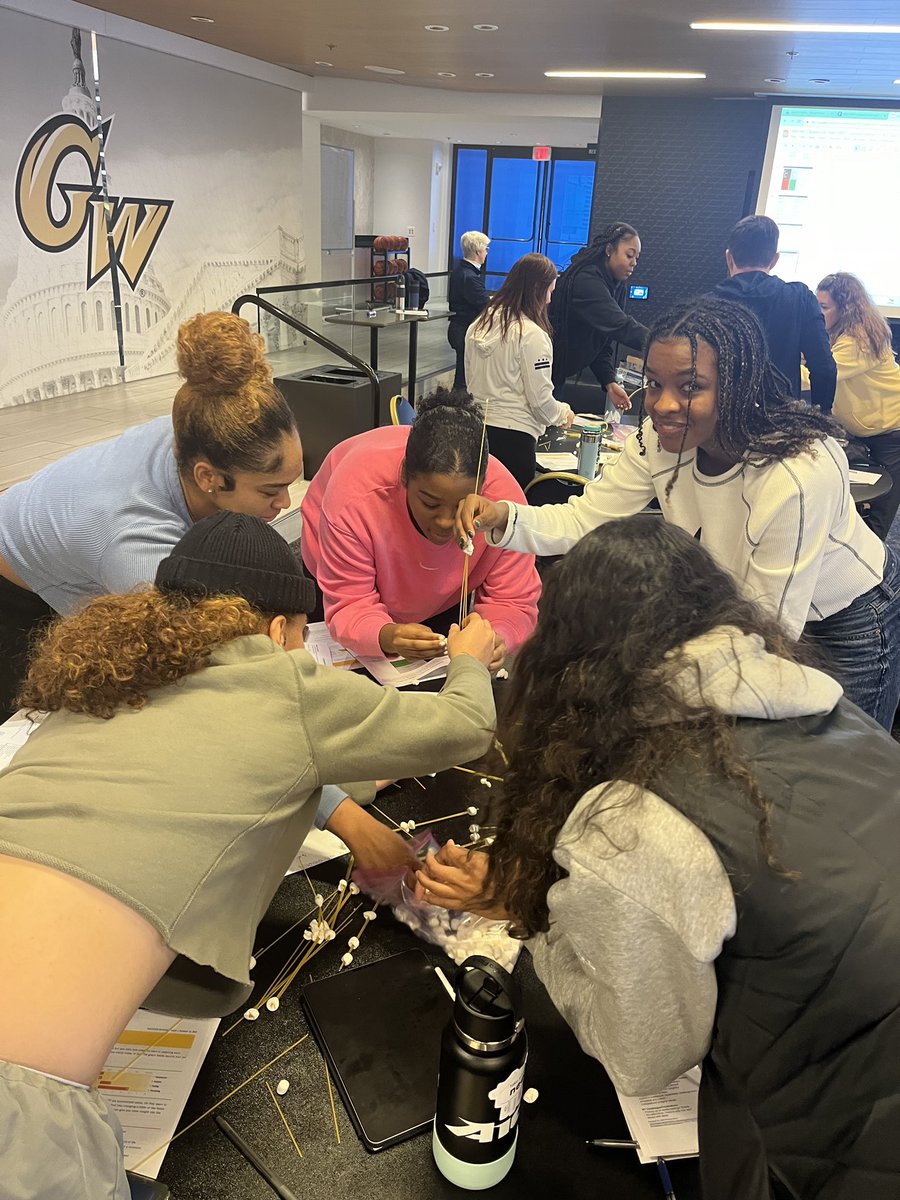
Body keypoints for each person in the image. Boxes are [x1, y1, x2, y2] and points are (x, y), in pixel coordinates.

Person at [0, 510, 497, 1200]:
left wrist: (351, 806)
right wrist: (468, 657)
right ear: (278, 630)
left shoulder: (106, 680)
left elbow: (225, 760)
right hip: (21, 1108)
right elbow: (467, 726)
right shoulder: (282, 685)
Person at [416, 518, 900, 1200]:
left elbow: (641, 1055)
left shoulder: (634, 822)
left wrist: (531, 910)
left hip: (839, 1144)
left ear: (567, 665)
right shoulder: (842, 716)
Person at [457, 296, 900, 730]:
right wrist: (505, 518)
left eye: (690, 387)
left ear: (737, 385)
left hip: (846, 624)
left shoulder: (796, 474)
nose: (663, 405)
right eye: (654, 384)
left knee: (842, 760)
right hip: (743, 615)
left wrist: (642, 680)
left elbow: (769, 633)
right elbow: (585, 519)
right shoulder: (659, 437)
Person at [0, 311, 304, 721]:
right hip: (13, 583)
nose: (285, 502)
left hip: (65, 525)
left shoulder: (203, 421)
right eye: (270, 490)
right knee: (36, 713)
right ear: (209, 477)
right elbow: (188, 662)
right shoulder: (136, 542)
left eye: (289, 483)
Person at [301, 388, 540, 668]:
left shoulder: (505, 505)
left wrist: (498, 637)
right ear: (404, 477)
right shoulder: (355, 497)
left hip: (442, 593)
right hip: (339, 575)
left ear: (483, 487)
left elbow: (512, 600)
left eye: (462, 505)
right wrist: (384, 635)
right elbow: (349, 601)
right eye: (430, 503)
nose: (445, 522)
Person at [465, 253, 574, 489]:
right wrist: (563, 413)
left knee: (479, 503)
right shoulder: (532, 335)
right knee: (511, 508)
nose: (549, 300)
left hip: (475, 434)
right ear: (537, 289)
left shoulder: (478, 325)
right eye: (549, 292)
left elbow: (469, 380)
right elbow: (540, 401)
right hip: (515, 442)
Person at [712, 215, 836, 412]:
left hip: (722, 418)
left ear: (729, 258)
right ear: (774, 259)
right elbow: (824, 368)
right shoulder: (800, 298)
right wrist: (822, 416)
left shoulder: (708, 304)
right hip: (781, 420)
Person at [817, 271, 900, 539]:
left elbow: (823, 373)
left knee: (878, 518)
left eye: (824, 307)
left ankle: (877, 565)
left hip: (892, 433)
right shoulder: (839, 334)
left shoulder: (858, 340)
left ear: (845, 309)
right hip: (868, 431)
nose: (819, 313)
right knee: (855, 507)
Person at [549, 221, 649, 412]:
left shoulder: (616, 286)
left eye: (637, 257)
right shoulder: (586, 281)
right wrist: (662, 342)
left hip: (557, 375)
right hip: (543, 374)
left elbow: (602, 340)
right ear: (609, 250)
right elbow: (620, 326)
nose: (634, 263)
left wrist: (609, 381)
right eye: (629, 255)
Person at [448, 231, 491, 391]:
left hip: (458, 327)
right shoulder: (471, 277)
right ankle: (459, 404)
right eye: (485, 249)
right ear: (478, 251)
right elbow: (485, 305)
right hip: (464, 329)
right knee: (464, 379)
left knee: (463, 374)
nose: (486, 253)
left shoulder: (460, 271)